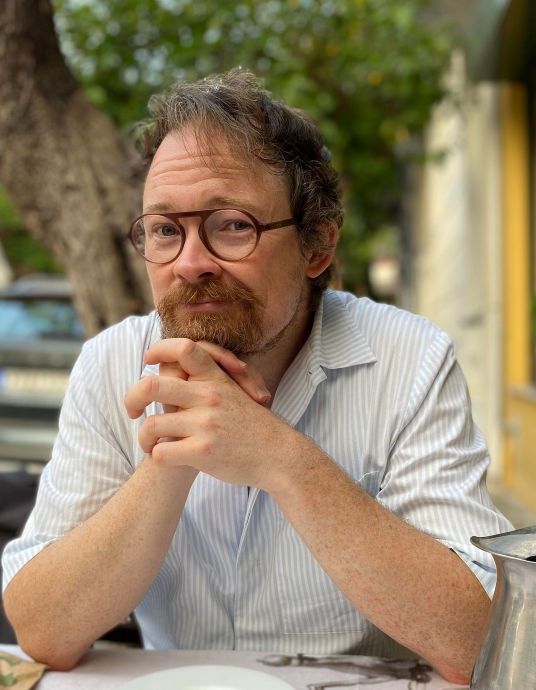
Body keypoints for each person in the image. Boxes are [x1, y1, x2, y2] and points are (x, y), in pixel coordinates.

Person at [2, 69, 512, 683]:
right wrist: (171, 459)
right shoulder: (112, 363)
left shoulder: (410, 358)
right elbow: (44, 633)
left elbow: (481, 642)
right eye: (165, 230)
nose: (190, 263)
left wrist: (280, 459)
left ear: (317, 246)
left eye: (233, 225)